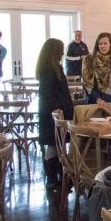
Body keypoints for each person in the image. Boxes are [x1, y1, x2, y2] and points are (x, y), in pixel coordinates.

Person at [36, 38, 74, 190]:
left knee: (57, 146)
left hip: (55, 113)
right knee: (53, 146)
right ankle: (51, 179)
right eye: (61, 49)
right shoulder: (48, 69)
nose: (63, 52)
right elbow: (48, 94)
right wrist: (58, 109)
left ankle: (60, 176)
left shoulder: (53, 67)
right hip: (52, 114)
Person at [82, 32, 111, 115]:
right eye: (100, 44)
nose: (102, 46)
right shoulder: (88, 60)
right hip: (95, 100)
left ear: (110, 45)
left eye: (105, 43)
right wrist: (97, 98)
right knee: (94, 127)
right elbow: (86, 83)